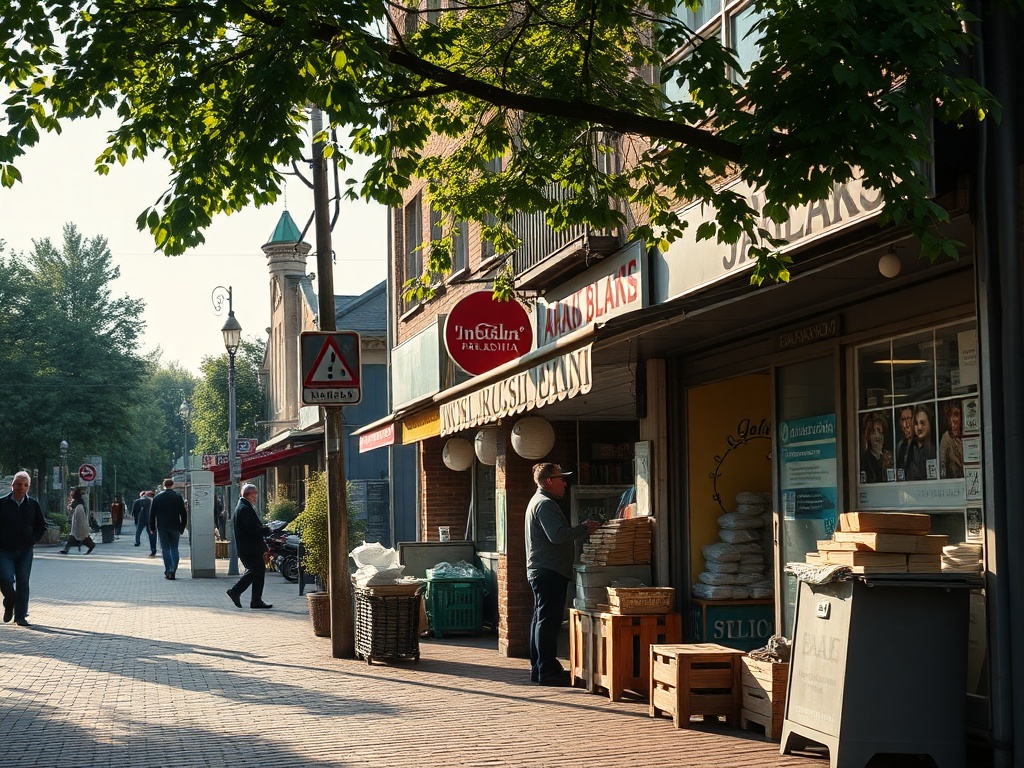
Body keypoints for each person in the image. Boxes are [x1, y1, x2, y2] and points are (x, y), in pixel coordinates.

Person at [525, 462, 600, 686]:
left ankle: (539, 667)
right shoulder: (545, 504)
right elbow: (557, 536)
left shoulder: (538, 501)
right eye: (561, 478)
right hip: (549, 571)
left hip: (544, 570)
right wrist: (584, 528)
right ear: (549, 481)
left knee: (541, 619)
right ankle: (547, 670)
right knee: (548, 621)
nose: (565, 483)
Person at [0, 471, 47, 627]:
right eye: (18, 484)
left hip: (25, 550)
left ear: (28, 487)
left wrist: (33, 540)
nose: (21, 487)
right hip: (4, 550)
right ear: (12, 485)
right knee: (5, 579)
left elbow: (41, 525)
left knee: (23, 583)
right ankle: (10, 601)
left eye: (25, 485)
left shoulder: (33, 505)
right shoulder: (2, 503)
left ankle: (20, 616)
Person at [226, 483, 273, 610]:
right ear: (247, 494)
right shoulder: (245, 508)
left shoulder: (243, 506)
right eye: (254, 494)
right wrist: (267, 530)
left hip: (249, 547)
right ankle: (235, 591)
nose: (256, 497)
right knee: (254, 571)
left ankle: (256, 600)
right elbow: (252, 529)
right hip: (250, 548)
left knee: (258, 572)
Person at [149, 478, 187, 580]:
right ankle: (173, 569)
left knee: (165, 549)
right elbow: (183, 513)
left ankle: (168, 569)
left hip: (162, 527)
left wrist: (152, 527)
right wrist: (182, 527)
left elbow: (152, 514)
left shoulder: (157, 498)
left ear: (163, 485)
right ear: (173, 485)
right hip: (175, 526)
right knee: (174, 548)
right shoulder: (178, 497)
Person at [905, 403, 937, 481]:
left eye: (922, 423)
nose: (919, 427)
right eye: (916, 423)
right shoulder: (910, 449)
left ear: (929, 424)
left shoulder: (935, 448)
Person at [59, 488, 97, 555]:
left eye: (72, 493)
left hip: (79, 526)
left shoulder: (79, 506)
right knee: (79, 538)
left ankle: (91, 545)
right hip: (77, 526)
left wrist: (80, 527)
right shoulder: (78, 503)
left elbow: (80, 518)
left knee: (80, 537)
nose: (71, 495)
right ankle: (66, 549)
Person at [859, 411, 893, 484]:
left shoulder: (889, 457)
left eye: (880, 432)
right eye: (873, 432)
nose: (877, 436)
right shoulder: (864, 460)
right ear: (868, 436)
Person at [940, 400, 965, 479]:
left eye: (956, 415)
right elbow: (942, 462)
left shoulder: (966, 436)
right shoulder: (946, 438)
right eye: (949, 416)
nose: (952, 421)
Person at [132, 490, 157, 555]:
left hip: (143, 518)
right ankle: (153, 548)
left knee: (138, 530)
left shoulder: (145, 500)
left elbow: (136, 502)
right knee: (152, 535)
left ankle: (137, 542)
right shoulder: (155, 500)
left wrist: (135, 516)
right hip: (152, 520)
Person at [894, 405, 915, 481]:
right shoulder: (900, 446)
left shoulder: (920, 444)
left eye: (909, 418)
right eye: (903, 419)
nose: (905, 425)